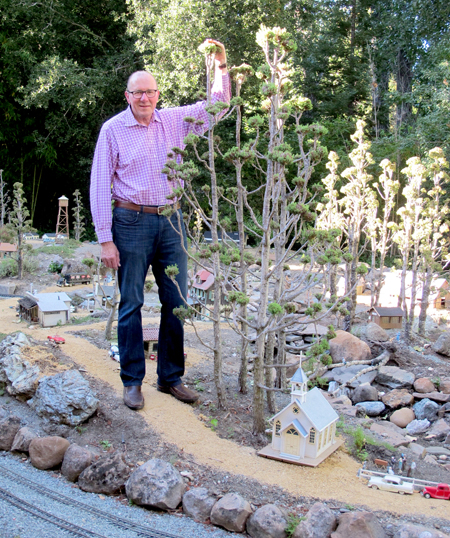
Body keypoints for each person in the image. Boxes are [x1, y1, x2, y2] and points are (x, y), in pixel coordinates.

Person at [90, 39, 230, 410]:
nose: (145, 98)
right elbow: (99, 184)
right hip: (130, 221)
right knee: (131, 302)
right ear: (127, 95)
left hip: (171, 222)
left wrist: (220, 65)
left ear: (157, 94)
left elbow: (216, 108)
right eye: (138, 93)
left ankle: (171, 378)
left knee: (176, 300)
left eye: (151, 92)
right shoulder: (113, 130)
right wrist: (106, 239)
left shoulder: (173, 121)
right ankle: (132, 381)